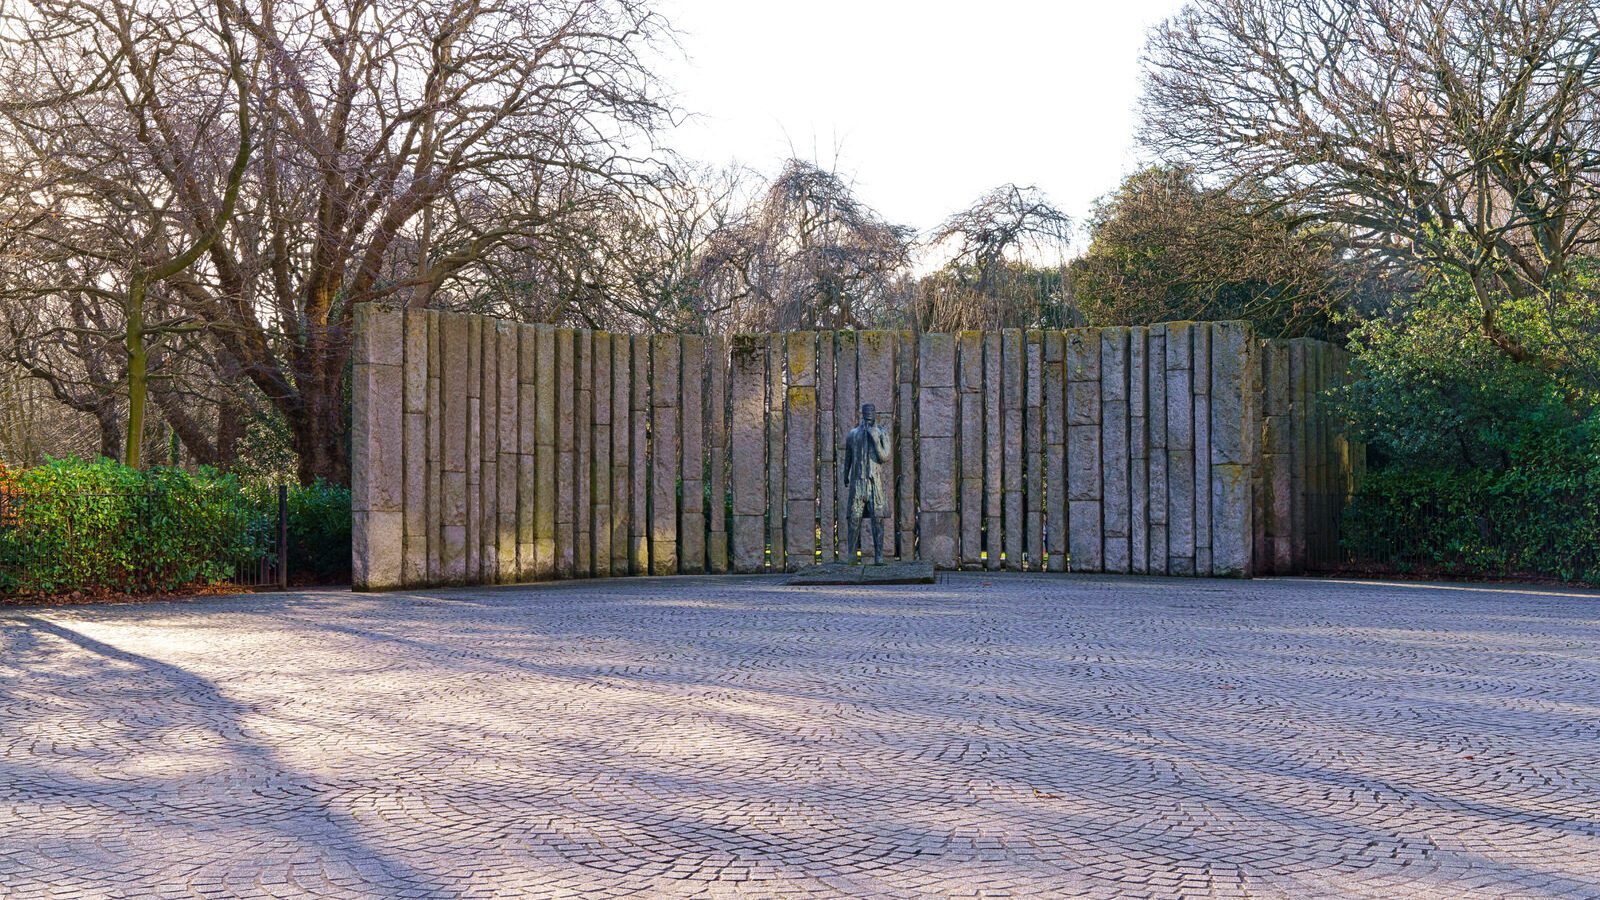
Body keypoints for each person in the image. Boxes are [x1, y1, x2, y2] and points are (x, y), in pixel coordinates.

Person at [842, 403, 891, 565]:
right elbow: (848, 456)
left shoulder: (882, 432)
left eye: (871, 413)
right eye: (866, 413)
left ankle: (879, 556)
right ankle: (852, 555)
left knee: (877, 519)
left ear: (875, 414)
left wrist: (876, 440)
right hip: (857, 482)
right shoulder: (853, 434)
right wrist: (845, 474)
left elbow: (885, 457)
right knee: (854, 518)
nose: (869, 416)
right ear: (862, 414)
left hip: (874, 483)